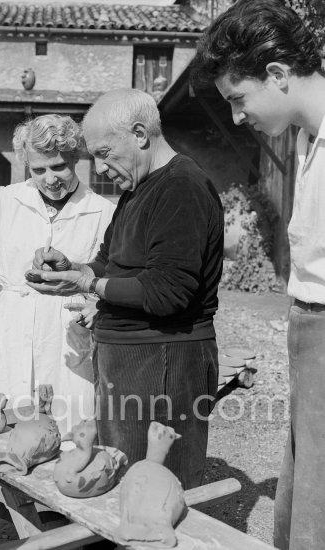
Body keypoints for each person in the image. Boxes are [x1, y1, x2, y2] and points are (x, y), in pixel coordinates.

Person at [26, 88, 224, 490]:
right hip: (131, 360)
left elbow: (167, 293)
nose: (98, 168)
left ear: (139, 134)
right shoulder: (138, 189)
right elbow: (109, 263)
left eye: (103, 152)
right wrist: (73, 269)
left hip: (162, 361)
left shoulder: (181, 187)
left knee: (156, 487)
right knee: (121, 476)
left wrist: (88, 283)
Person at [0, 113, 115, 550]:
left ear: (77, 160)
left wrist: (95, 303)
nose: (50, 178)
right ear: (25, 166)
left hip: (67, 336)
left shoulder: (102, 210)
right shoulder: (6, 199)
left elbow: (110, 271)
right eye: (39, 169)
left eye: (59, 167)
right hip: (8, 328)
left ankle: (56, 534)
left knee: (65, 436)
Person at [190, 1, 325, 548]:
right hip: (308, 330)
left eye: (238, 99)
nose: (238, 117)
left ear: (276, 74)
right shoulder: (303, 138)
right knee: (307, 480)